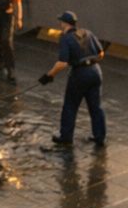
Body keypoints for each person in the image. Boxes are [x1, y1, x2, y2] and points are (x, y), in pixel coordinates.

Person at [39, 11, 107, 147]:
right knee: (96, 107)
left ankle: (66, 137)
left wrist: (49, 75)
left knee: (70, 105)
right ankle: (100, 137)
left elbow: (62, 63)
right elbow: (101, 53)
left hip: (80, 74)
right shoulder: (87, 33)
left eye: (61, 22)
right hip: (95, 71)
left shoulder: (66, 38)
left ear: (65, 23)